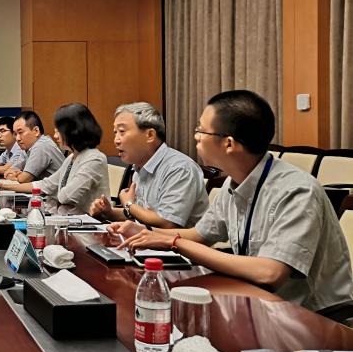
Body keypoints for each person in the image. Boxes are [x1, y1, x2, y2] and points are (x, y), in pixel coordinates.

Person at [114, 90, 353, 312]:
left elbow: (270, 273)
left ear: (228, 143)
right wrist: (145, 232)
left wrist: (174, 242)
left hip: (311, 318)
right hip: (257, 304)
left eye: (202, 131)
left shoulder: (297, 191)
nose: (196, 136)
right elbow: (199, 235)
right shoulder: (234, 181)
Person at [89, 102, 207, 228]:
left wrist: (129, 204)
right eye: (115, 132)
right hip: (147, 238)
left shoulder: (179, 168)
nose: (116, 140)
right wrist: (109, 213)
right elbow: (141, 215)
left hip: (176, 240)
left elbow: (167, 223)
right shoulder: (140, 167)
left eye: (122, 131)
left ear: (150, 135)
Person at [0, 104, 109, 215]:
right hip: (66, 218)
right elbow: (46, 184)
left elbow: (66, 196)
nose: (55, 136)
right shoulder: (72, 157)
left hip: (86, 222)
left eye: (58, 131)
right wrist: (6, 187)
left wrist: (52, 192)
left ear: (74, 131)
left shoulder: (94, 159)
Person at [3, 110, 65, 184]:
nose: (17, 138)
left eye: (20, 132)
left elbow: (23, 179)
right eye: (15, 134)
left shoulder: (42, 146)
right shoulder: (27, 147)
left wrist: (16, 176)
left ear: (36, 131)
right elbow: (8, 172)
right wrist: (15, 175)